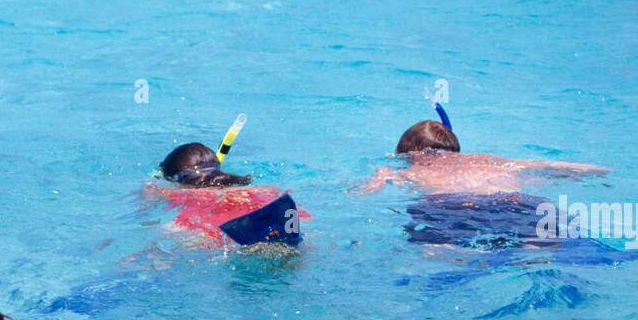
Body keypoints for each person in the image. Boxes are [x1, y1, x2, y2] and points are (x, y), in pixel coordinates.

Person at [355, 116, 610, 196]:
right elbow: (544, 166)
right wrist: (597, 171)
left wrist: (374, 181)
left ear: (410, 153)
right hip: (518, 205)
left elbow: (364, 194)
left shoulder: (407, 169)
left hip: (457, 212)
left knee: (435, 254)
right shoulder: (483, 160)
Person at [148, 142, 309, 246]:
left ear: (175, 181)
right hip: (276, 223)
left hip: (221, 237)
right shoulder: (259, 189)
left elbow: (147, 209)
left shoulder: (176, 193)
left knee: (164, 235)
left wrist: (150, 183)